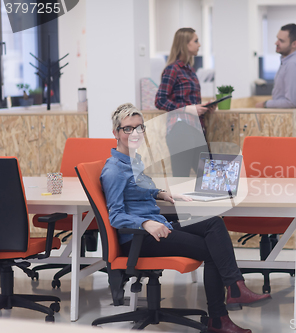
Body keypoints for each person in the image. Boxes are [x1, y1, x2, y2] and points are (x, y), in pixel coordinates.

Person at [100, 103, 271, 333]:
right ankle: (220, 318)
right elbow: (116, 215)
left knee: (213, 223)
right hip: (139, 238)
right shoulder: (113, 170)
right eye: (128, 129)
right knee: (213, 250)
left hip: (157, 226)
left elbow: (136, 192)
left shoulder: (134, 160)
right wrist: (145, 223)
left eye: (140, 128)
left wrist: (160, 193)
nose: (135, 133)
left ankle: (235, 287)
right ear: (116, 133)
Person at [155, 28, 215, 177]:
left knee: (208, 178)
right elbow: (160, 100)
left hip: (195, 129)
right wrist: (187, 109)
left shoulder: (190, 70)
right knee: (181, 178)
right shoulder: (172, 69)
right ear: (185, 44)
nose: (199, 44)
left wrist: (206, 107)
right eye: (195, 41)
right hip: (180, 128)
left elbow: (191, 104)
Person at [255, 23, 296, 135]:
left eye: (281, 41)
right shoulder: (287, 62)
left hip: (292, 126)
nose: (276, 43)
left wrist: (265, 104)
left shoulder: (293, 65)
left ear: (294, 44)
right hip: (288, 124)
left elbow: (291, 102)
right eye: (277, 39)